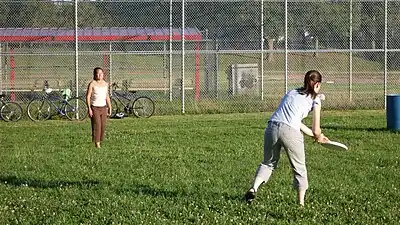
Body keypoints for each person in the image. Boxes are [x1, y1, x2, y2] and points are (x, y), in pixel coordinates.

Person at [244, 70, 329, 207]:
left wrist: (315, 136)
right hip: (290, 132)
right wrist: (318, 135)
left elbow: (296, 122)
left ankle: (254, 188)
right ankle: (301, 204)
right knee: (299, 168)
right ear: (317, 84)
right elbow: (316, 129)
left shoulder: (292, 92)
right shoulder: (315, 101)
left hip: (272, 127)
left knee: (268, 163)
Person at [86, 67, 112, 148]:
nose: (99, 75)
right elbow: (88, 96)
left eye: (101, 73)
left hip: (103, 107)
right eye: (97, 73)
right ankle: (97, 143)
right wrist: (89, 109)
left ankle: (100, 140)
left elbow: (106, 96)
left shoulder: (105, 84)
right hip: (95, 107)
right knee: (97, 125)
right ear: (95, 74)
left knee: (103, 126)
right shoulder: (92, 84)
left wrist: (110, 107)